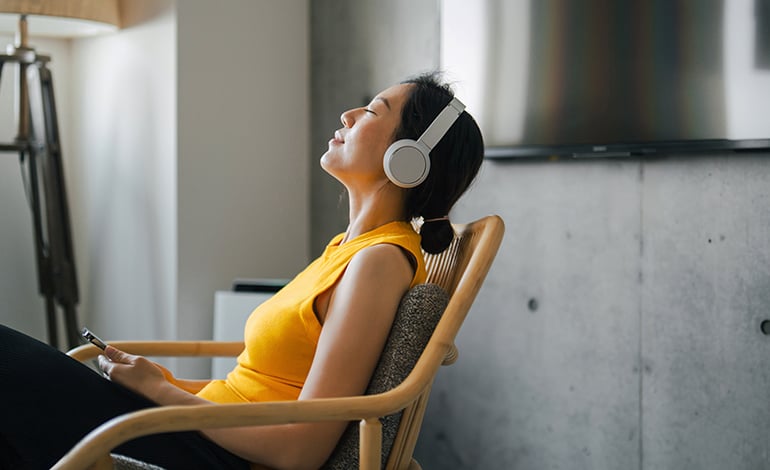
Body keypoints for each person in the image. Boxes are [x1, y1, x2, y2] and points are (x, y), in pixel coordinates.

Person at [0, 72, 484, 470]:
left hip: (213, 455)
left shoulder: (378, 262)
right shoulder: (347, 249)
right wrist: (159, 381)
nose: (348, 115)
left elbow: (302, 447)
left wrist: (163, 393)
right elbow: (257, 387)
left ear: (409, 157)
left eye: (373, 111)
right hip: (196, 432)